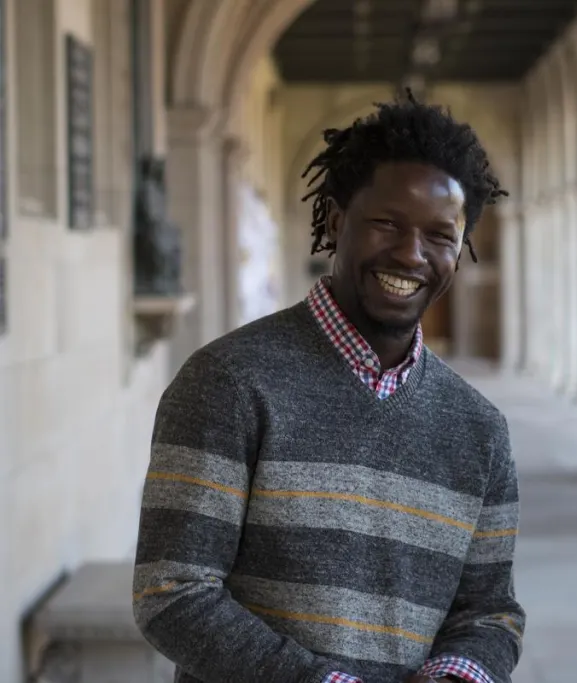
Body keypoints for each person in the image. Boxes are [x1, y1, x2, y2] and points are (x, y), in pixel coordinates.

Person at [132, 95, 525, 683]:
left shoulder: (480, 429)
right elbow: (172, 592)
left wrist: (457, 675)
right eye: (386, 223)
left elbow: (490, 613)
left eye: (440, 236)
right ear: (338, 221)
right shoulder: (228, 382)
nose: (411, 254)